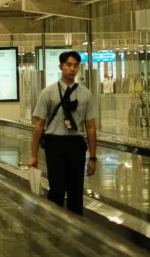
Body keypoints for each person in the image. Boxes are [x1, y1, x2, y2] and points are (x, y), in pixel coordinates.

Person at [28, 50, 98, 216]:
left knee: (75, 191)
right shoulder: (48, 92)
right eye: (68, 65)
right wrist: (33, 155)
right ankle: (55, 225)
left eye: (75, 66)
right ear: (61, 66)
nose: (72, 69)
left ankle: (76, 230)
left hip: (76, 145)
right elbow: (39, 125)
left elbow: (90, 127)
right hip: (54, 143)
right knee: (57, 188)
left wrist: (93, 157)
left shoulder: (85, 94)